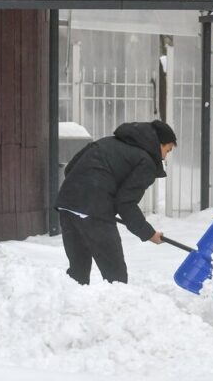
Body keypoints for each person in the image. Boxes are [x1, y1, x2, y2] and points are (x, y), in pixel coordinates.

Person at [56, 120, 177, 285]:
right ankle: (116, 302)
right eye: (167, 150)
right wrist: (149, 234)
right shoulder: (146, 162)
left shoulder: (106, 142)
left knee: (78, 271)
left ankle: (71, 301)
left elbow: (70, 168)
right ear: (158, 144)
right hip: (94, 210)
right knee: (115, 276)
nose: (164, 157)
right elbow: (126, 203)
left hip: (67, 204)